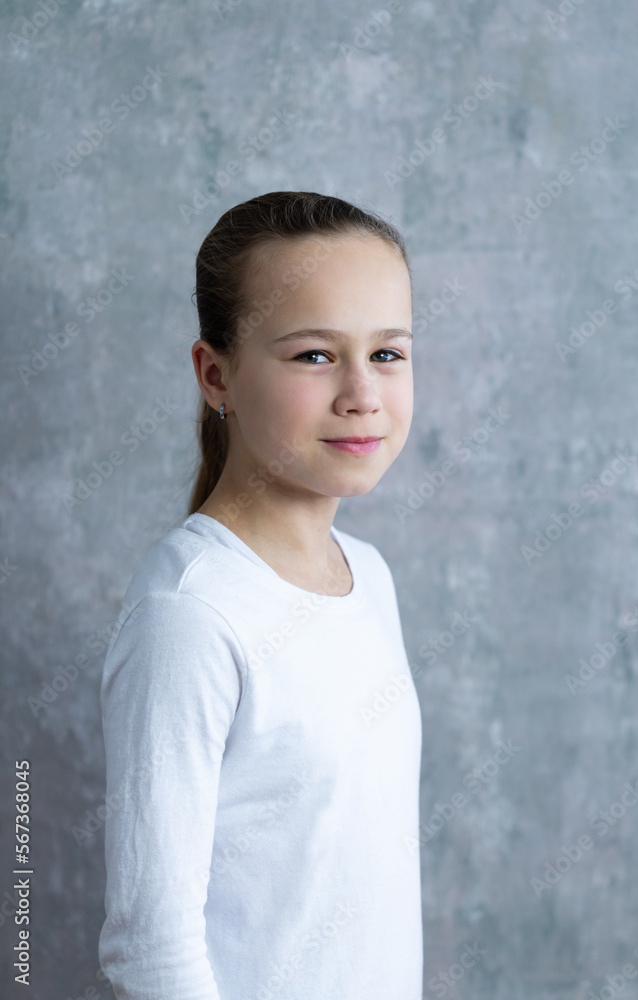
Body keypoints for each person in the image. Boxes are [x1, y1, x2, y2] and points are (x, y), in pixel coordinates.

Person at [98, 191, 423, 1000]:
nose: (361, 393)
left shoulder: (368, 575)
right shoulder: (192, 615)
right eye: (314, 356)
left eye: (387, 353)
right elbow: (150, 949)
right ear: (217, 375)